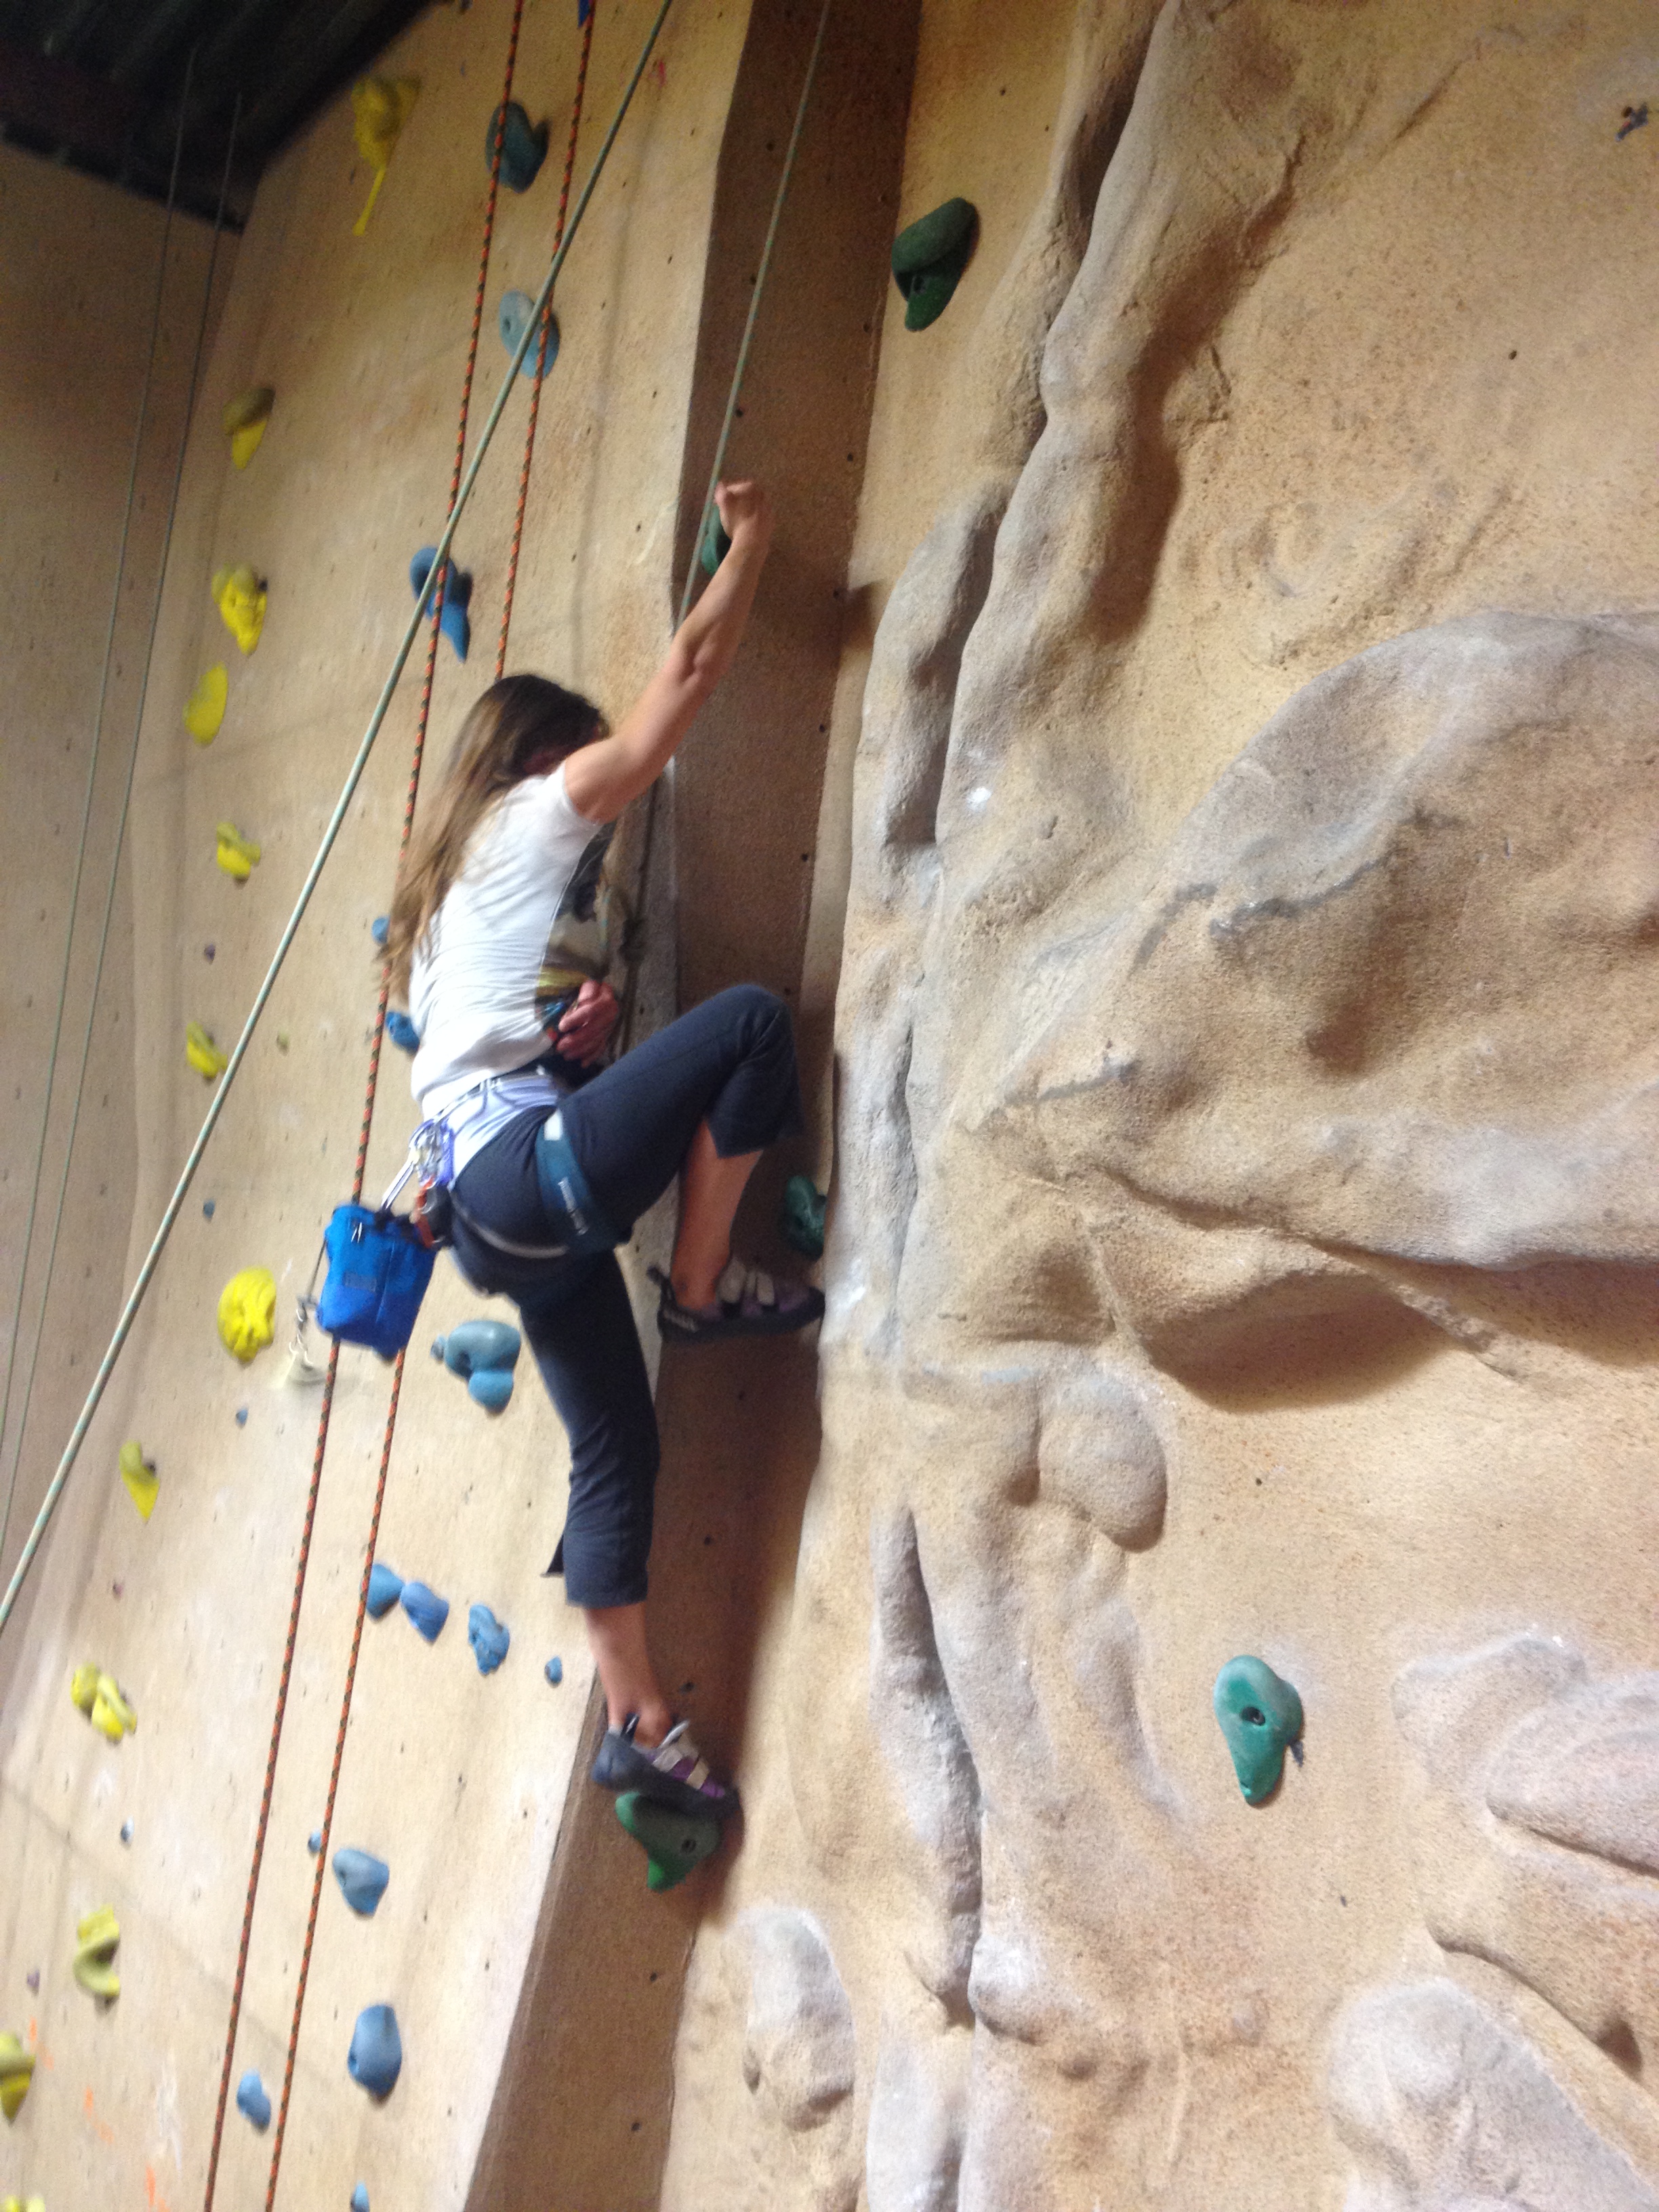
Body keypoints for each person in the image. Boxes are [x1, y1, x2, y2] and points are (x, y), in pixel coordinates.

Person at [384, 480, 820, 1824]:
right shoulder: (530, 815)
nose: (598, 816)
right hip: (521, 1179)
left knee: (616, 1442)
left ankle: (638, 1726)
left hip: (489, 1216)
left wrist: (571, 1047)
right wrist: (750, 545)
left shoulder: (445, 909)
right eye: (584, 775)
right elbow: (680, 684)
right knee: (751, 1028)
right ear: (541, 761)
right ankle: (700, 1289)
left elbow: (480, 1071)